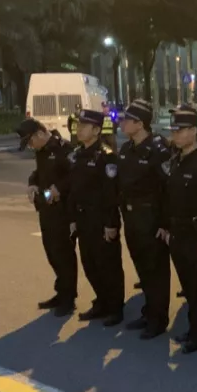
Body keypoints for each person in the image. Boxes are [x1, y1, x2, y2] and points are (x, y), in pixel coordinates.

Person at [161, 105, 197, 353]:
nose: (175, 135)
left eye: (180, 130)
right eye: (173, 130)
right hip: (177, 233)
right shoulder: (176, 161)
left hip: (195, 235)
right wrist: (166, 226)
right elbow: (169, 198)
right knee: (187, 284)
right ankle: (194, 328)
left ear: (194, 131)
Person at [117, 99, 174, 339]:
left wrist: (165, 223)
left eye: (127, 120)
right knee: (143, 269)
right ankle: (149, 311)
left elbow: (168, 190)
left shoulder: (158, 150)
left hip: (151, 219)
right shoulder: (126, 149)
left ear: (140, 124)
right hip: (132, 218)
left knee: (156, 271)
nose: (122, 123)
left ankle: (158, 319)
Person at [68, 109, 125, 327]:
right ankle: (101, 301)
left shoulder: (106, 156)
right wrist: (73, 218)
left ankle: (115, 307)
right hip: (83, 219)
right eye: (79, 125)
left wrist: (111, 223)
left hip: (101, 219)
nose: (79, 129)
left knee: (108, 265)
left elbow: (111, 193)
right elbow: (74, 190)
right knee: (90, 264)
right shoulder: (77, 155)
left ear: (96, 130)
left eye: (84, 126)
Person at [18, 118, 77, 317]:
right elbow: (39, 172)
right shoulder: (42, 151)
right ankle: (61, 292)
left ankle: (69, 298)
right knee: (52, 253)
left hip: (63, 211)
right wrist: (32, 183)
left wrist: (59, 188)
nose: (31, 146)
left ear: (40, 133)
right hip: (46, 209)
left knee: (64, 255)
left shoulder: (63, 149)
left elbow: (75, 175)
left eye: (30, 141)